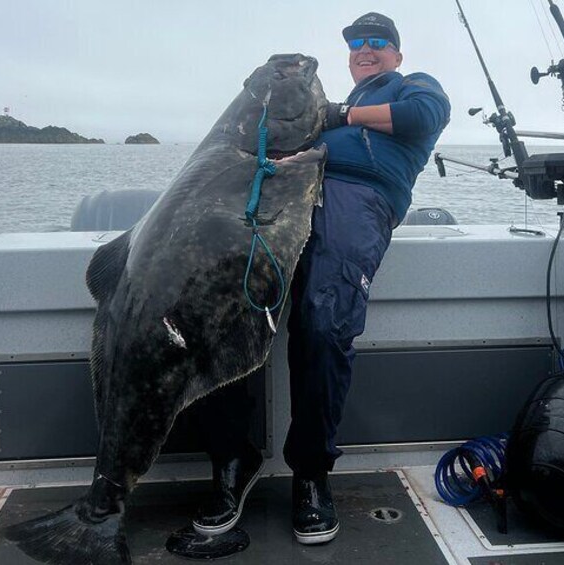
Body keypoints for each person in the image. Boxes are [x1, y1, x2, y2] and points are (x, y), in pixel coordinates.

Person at [192, 12, 450, 545]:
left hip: (356, 199)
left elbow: (425, 116)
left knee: (323, 324)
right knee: (226, 317)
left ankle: (310, 473)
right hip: (281, 197)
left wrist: (342, 114)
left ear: (397, 55)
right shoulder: (322, 110)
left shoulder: (411, 86)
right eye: (357, 43)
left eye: (378, 43)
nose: (365, 50)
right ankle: (233, 459)